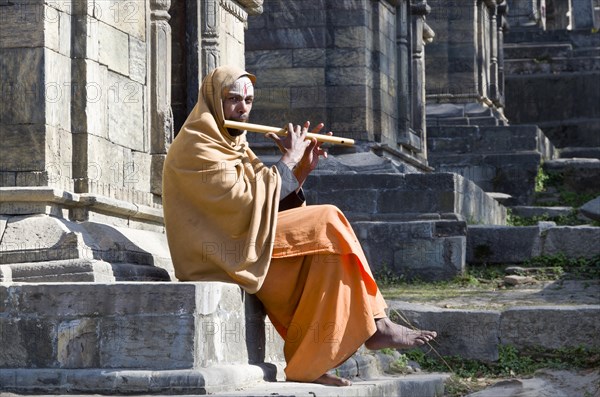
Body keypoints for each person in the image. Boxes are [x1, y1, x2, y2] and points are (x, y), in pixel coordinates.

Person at [162, 65, 437, 387]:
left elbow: (265, 200)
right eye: (233, 99)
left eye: (248, 100)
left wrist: (300, 170)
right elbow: (239, 204)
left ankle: (310, 364)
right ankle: (379, 324)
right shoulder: (195, 145)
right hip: (217, 254)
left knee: (329, 256)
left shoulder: (235, 144)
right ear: (211, 99)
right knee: (328, 218)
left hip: (244, 242)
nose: (243, 108)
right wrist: (288, 162)